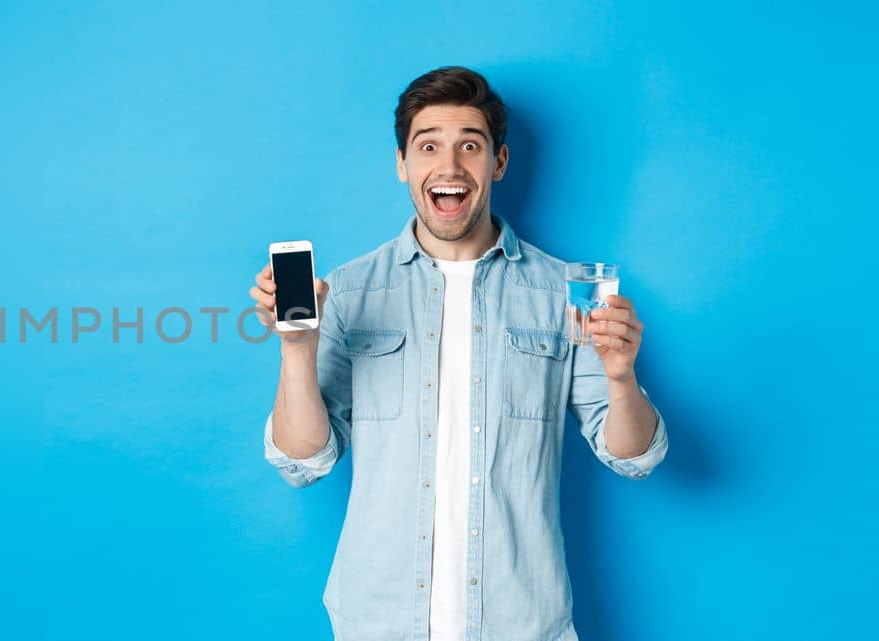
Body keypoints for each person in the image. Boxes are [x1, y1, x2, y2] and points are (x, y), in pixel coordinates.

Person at [248, 66, 668, 641]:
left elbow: (633, 456)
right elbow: (304, 462)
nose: (449, 167)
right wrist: (296, 350)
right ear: (403, 164)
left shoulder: (562, 293)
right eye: (428, 147)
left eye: (470, 146)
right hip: (378, 624)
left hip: (523, 625)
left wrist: (621, 379)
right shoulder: (348, 291)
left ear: (498, 163)